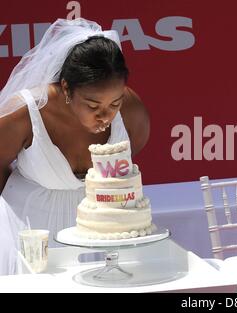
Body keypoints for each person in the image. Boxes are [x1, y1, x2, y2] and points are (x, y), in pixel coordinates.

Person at [0, 18, 150, 275]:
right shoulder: (25, 112)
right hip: (29, 230)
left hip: (100, 234)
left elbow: (122, 174)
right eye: (93, 106)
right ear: (67, 88)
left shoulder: (132, 112)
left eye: (114, 104)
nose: (105, 116)